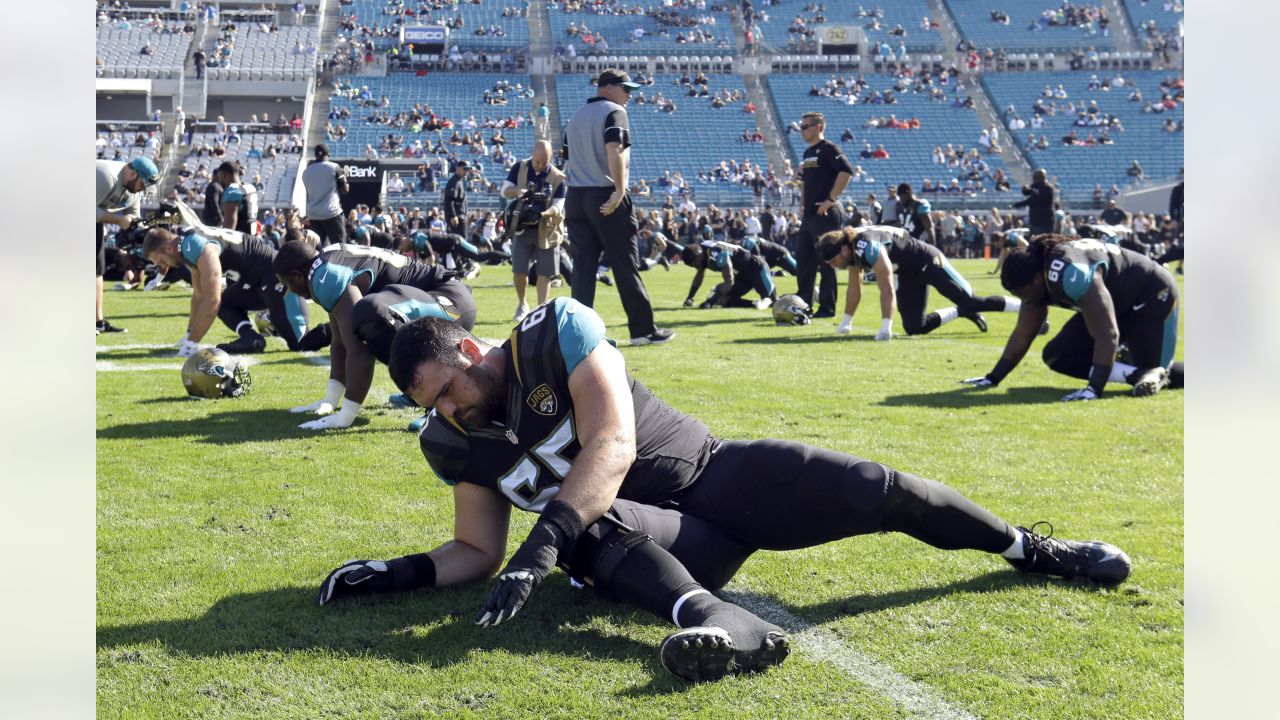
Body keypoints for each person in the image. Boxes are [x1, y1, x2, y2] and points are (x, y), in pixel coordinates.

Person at [315, 301, 1134, 684]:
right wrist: (400, 573)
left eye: (447, 393)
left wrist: (543, 544)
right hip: (657, 540)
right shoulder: (450, 441)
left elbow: (612, 443)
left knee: (879, 489)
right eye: (433, 409)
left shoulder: (554, 331)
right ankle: (725, 627)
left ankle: (1029, 548)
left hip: (713, 474)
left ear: (468, 348)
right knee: (589, 531)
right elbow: (476, 550)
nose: (448, 413)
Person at [272, 241, 475, 430]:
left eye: (287, 284)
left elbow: (359, 348)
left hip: (448, 302)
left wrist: (346, 416)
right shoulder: (323, 266)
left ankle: (437, 403)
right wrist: (330, 400)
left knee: (371, 315)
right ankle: (417, 392)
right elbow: (340, 341)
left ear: (298, 275)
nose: (292, 292)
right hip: (436, 299)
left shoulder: (324, 276)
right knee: (368, 316)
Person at [962, 235, 1183, 399]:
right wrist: (992, 378)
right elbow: (1022, 335)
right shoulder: (1037, 277)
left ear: (1039, 278)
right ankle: (1137, 373)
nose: (1025, 300)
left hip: (1150, 295)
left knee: (1161, 370)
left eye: (1025, 293)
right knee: (1057, 355)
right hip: (1112, 299)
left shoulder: (1070, 274)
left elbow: (1108, 333)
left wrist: (1093, 389)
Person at [561, 68, 673, 345]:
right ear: (609, 87)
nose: (630, 96)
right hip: (605, 194)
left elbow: (566, 159)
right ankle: (643, 330)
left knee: (583, 269)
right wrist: (620, 190)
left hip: (576, 197)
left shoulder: (574, 117)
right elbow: (615, 149)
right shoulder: (614, 112)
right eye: (627, 89)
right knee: (625, 264)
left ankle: (577, 336)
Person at [142, 202, 314, 355]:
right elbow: (199, 295)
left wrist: (192, 343)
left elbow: (212, 300)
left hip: (273, 273)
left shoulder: (194, 246)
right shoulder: (185, 247)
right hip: (252, 280)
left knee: (300, 343)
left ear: (168, 249)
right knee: (226, 304)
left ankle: (329, 331)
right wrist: (189, 333)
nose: (166, 266)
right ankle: (250, 338)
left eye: (162, 261)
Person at [819, 225, 1021, 338]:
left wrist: (885, 327)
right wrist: (845, 324)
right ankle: (960, 312)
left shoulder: (867, 246)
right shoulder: (852, 251)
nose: (832, 265)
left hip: (927, 260)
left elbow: (887, 287)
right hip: (908, 273)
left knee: (971, 301)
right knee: (915, 327)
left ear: (844, 249)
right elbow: (854, 289)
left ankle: (1026, 307)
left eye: (833, 260)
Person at [794, 112, 853, 319]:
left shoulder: (829, 149)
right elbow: (804, 181)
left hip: (826, 212)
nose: (801, 130)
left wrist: (831, 199)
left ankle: (827, 308)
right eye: (801, 126)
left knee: (827, 261)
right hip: (810, 213)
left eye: (805, 126)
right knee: (804, 260)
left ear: (818, 126)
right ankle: (803, 305)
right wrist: (802, 201)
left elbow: (846, 171)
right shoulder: (807, 153)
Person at [501, 140, 567, 322]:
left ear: (550, 159)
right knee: (519, 270)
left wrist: (544, 213)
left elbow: (559, 205)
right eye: (537, 161)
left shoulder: (558, 177)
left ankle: (541, 310)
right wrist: (518, 191)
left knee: (545, 272)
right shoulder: (519, 167)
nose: (539, 165)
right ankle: (522, 304)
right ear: (532, 154)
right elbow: (504, 190)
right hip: (522, 227)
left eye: (544, 162)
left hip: (547, 229)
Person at [96, 157, 159, 334]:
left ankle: (97, 321)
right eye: (142, 184)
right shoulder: (105, 176)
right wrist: (118, 220)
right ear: (132, 174)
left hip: (95, 221)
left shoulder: (133, 187)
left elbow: (133, 216)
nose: (143, 189)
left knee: (96, 270)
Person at [679, 240, 776, 309]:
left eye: (696, 264)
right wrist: (690, 297)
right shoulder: (700, 252)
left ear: (700, 255)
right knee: (723, 299)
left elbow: (729, 282)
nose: (697, 267)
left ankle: (790, 297)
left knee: (772, 301)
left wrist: (710, 302)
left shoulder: (717, 253)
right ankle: (754, 304)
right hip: (742, 275)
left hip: (756, 268)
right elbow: (699, 276)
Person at [301, 144, 349, 244]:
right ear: (328, 154)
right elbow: (344, 190)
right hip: (332, 213)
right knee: (339, 248)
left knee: (315, 249)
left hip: (314, 216)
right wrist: (345, 176)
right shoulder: (334, 167)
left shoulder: (306, 172)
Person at [215, 161, 258, 235]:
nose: (219, 183)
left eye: (219, 179)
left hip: (240, 241)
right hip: (254, 239)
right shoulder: (250, 188)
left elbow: (229, 229)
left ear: (224, 175)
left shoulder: (232, 192)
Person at [1012, 169, 1057, 236]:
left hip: (1045, 223)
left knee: (1045, 243)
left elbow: (1033, 200)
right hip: (1034, 222)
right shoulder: (1036, 186)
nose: (1034, 180)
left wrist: (1018, 204)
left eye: (1036, 178)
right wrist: (1025, 188)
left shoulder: (1048, 188)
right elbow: (1026, 192)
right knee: (1034, 244)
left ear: (1042, 177)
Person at [443, 160, 470, 233]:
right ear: (458, 169)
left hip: (460, 218)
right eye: (465, 169)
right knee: (459, 242)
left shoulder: (459, 181)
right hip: (457, 219)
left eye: (468, 170)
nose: (466, 172)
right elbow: (449, 199)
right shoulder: (454, 181)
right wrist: (453, 216)